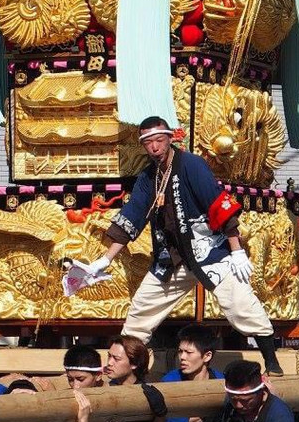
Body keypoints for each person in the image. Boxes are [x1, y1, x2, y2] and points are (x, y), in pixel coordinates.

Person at [79, 116, 282, 374]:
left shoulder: (191, 165)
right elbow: (132, 216)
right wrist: (105, 260)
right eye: (148, 142)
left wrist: (237, 249)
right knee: (139, 315)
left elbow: (218, 204)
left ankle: (272, 363)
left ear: (170, 138)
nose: (154, 147)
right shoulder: (147, 177)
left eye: (159, 140)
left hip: (209, 252)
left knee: (241, 304)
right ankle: (131, 373)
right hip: (170, 259)